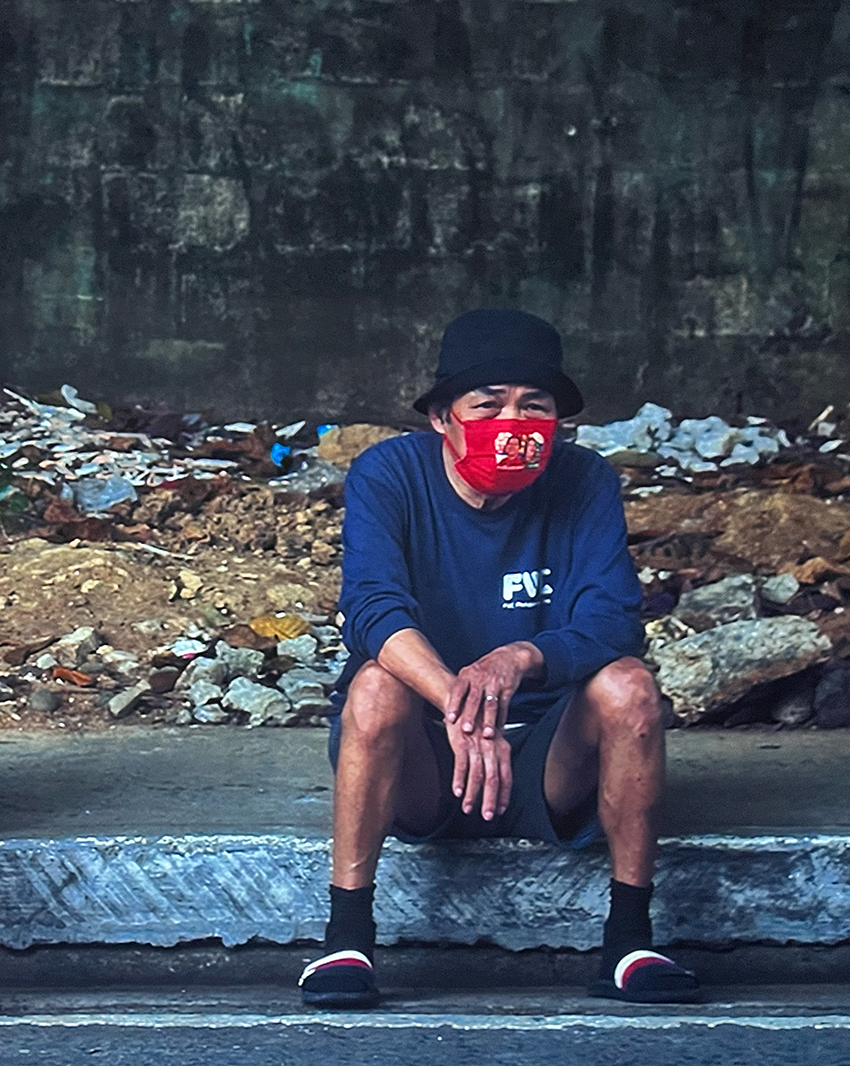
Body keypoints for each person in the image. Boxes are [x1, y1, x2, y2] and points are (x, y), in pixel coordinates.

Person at [298, 310, 700, 1008]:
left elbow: (611, 618)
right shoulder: (389, 475)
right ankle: (347, 938)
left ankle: (629, 941)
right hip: (426, 760)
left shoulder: (583, 479)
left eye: (533, 406)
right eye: (488, 405)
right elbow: (371, 608)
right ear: (441, 418)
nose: (513, 424)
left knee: (631, 687)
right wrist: (460, 703)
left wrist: (517, 658)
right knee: (373, 687)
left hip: (549, 757)